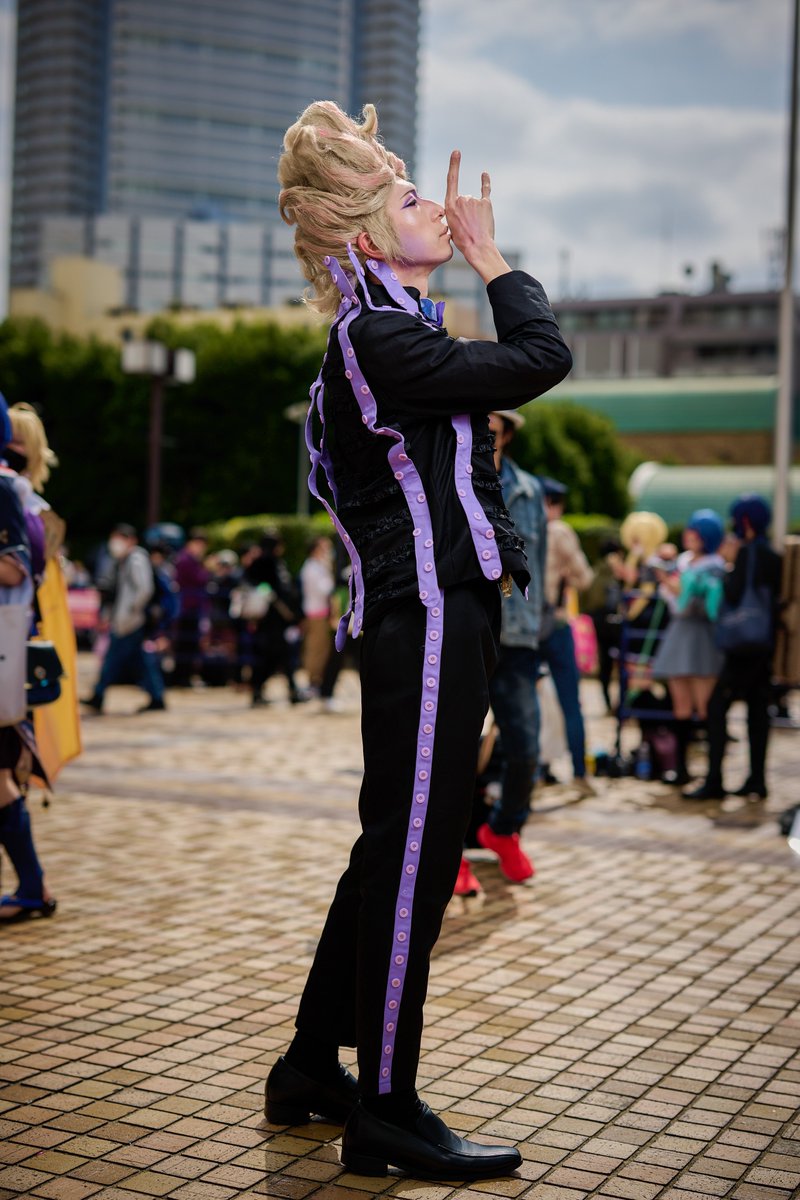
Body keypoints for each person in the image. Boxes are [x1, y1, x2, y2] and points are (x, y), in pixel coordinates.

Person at [262, 101, 571, 1181]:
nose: (433, 205)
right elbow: (540, 356)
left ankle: (312, 1066)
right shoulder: (379, 337)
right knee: (416, 859)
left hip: (431, 613)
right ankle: (386, 1109)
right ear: (362, 235)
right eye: (406, 196)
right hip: (430, 613)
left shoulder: (393, 332)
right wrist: (491, 258)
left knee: (388, 850)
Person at [465, 409, 547, 890]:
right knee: (454, 748)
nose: (485, 434)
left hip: (516, 639)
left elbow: (538, 568)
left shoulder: (531, 492)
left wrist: (536, 631)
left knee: (526, 749)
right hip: (464, 633)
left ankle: (503, 830)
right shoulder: (451, 477)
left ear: (509, 434)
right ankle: (449, 852)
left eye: (493, 428)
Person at [684, 495, 782, 800]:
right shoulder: (773, 555)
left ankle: (714, 780)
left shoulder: (746, 553)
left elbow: (734, 592)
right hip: (765, 644)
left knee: (716, 706)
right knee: (758, 712)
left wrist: (728, 563)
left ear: (745, 522)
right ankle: (757, 780)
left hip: (742, 647)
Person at [0, 395, 56, 922]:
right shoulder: (30, 501)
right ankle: (33, 885)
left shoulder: (12, 494)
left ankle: (33, 886)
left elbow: (16, 571)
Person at [650, 509, 726, 785]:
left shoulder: (715, 566)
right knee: (680, 706)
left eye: (695, 532)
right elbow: (676, 601)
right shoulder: (684, 562)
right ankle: (680, 768)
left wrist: (669, 582)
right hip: (679, 634)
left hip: (703, 637)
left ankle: (712, 774)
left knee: (706, 707)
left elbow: (698, 602)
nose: (688, 535)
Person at [536, 477, 596, 797]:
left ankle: (532, 771)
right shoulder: (559, 531)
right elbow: (585, 578)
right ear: (555, 504)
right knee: (570, 702)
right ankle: (580, 774)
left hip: (523, 629)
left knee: (526, 703)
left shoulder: (515, 525)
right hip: (555, 625)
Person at [83, 524, 164, 713]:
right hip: (126, 620)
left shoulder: (136, 558)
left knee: (113, 659)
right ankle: (156, 697)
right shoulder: (124, 560)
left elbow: (144, 589)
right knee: (140, 660)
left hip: (130, 621)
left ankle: (99, 695)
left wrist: (132, 610)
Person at [171, 527, 211, 686]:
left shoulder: (189, 559)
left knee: (189, 643)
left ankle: (184, 677)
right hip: (187, 607)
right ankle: (181, 677)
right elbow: (199, 579)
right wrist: (207, 568)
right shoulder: (186, 559)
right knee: (185, 644)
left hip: (191, 607)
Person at [299, 535, 337, 695]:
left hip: (319, 613)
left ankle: (315, 682)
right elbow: (326, 589)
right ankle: (312, 682)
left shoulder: (315, 566)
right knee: (316, 650)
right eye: (325, 548)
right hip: (316, 614)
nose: (328, 551)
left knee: (321, 649)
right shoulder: (313, 568)